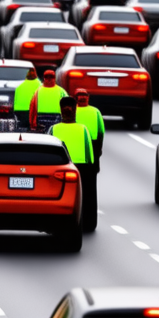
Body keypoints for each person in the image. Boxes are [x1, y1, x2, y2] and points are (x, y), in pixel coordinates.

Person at [50, 96, 98, 233]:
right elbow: (90, 155)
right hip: (82, 167)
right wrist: (92, 167)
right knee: (87, 196)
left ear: (61, 112)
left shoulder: (53, 129)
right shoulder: (83, 130)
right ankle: (88, 222)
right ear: (75, 110)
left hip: (58, 167)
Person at [73, 88, 106, 163]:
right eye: (80, 95)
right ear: (75, 97)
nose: (83, 97)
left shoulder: (95, 111)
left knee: (92, 168)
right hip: (76, 142)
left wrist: (99, 147)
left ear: (88, 97)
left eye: (85, 95)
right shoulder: (72, 110)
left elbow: (101, 131)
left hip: (93, 142)